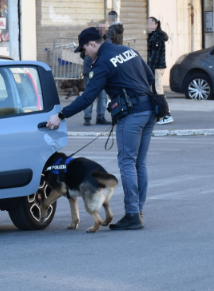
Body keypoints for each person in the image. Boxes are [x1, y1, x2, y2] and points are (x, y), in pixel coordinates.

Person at [45, 27, 156, 231]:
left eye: (85, 49)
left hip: (131, 115)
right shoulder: (128, 50)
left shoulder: (103, 62)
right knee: (140, 163)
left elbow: (88, 97)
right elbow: (150, 77)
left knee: (127, 163)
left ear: (93, 44)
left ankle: (132, 215)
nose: (84, 53)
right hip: (149, 110)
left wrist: (61, 115)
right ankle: (138, 211)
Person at [81, 24, 109, 126]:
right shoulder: (91, 40)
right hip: (89, 70)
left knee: (102, 95)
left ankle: (100, 117)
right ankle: (87, 117)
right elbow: (82, 53)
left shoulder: (105, 40)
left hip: (100, 71)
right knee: (90, 94)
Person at [148, 16, 172, 125]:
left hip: (157, 67)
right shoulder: (154, 36)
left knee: (158, 91)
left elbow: (155, 55)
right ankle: (161, 112)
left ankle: (167, 115)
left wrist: (150, 68)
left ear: (156, 24)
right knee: (157, 90)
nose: (148, 26)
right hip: (157, 67)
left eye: (150, 23)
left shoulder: (157, 37)